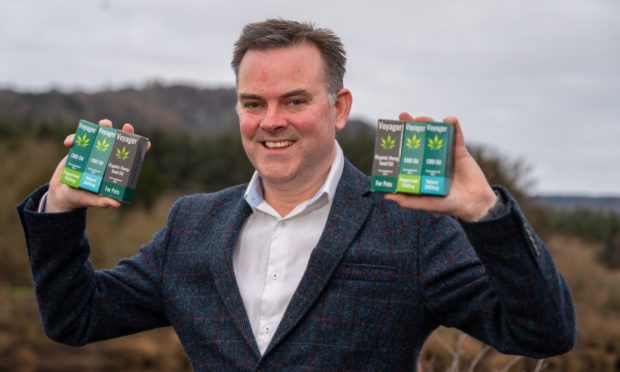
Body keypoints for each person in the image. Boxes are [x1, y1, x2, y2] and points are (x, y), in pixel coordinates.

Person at [18, 19, 575, 370]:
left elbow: (542, 332)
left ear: (338, 108)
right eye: (253, 103)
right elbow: (75, 318)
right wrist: (60, 209)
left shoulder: (411, 225)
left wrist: (486, 213)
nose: (271, 122)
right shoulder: (193, 223)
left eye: (294, 101)